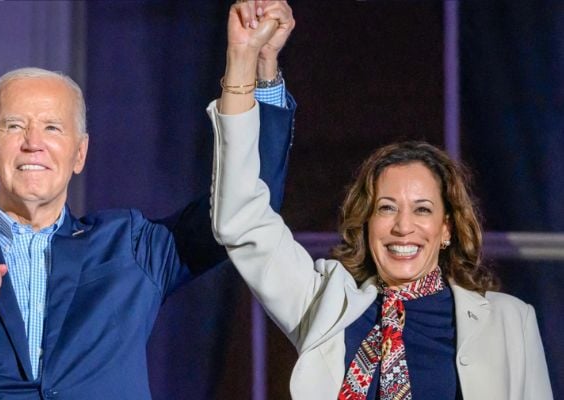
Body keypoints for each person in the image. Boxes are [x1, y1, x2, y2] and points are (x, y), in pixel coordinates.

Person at [0, 2, 295, 399]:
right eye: (15, 126)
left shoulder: (132, 247)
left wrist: (256, 67)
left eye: (52, 128)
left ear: (80, 153)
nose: (33, 143)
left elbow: (248, 206)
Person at [207, 24, 553, 400]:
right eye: (387, 208)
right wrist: (243, 59)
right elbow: (241, 218)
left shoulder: (509, 321)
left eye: (422, 210)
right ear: (367, 222)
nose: (404, 227)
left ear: (447, 229)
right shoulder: (327, 302)